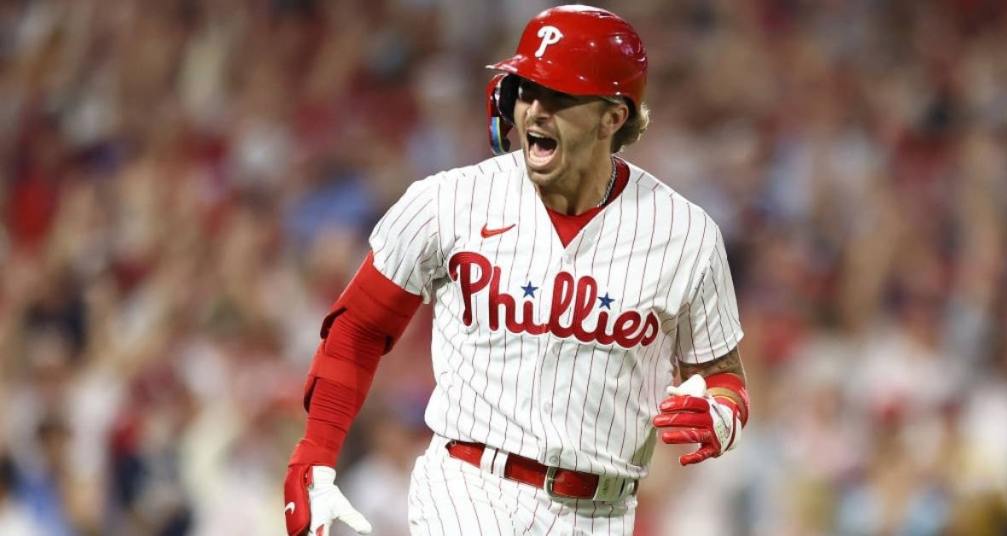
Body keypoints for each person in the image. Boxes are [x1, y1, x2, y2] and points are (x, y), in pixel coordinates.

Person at [282, 5, 750, 535]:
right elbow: (358, 327)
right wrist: (314, 455)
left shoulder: (686, 234)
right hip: (467, 487)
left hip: (602, 512)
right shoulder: (449, 201)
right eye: (526, 90)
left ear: (613, 116)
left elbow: (723, 378)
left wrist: (721, 416)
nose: (533, 111)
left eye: (559, 96)